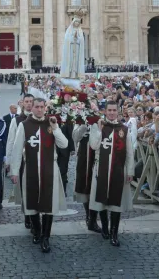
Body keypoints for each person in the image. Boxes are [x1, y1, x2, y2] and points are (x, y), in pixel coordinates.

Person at [10, 98, 68, 253]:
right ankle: (37, 230)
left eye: (42, 107)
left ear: (45, 108)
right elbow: (16, 149)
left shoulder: (52, 124)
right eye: (36, 107)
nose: (39, 110)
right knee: (32, 202)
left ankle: (46, 237)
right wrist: (14, 171)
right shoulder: (24, 125)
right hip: (31, 168)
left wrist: (56, 128)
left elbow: (64, 144)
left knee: (49, 204)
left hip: (50, 169)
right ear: (32, 108)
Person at [89, 101, 135, 247]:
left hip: (118, 170)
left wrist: (130, 171)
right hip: (101, 169)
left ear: (118, 112)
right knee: (101, 201)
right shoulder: (97, 126)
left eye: (114, 110)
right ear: (105, 111)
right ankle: (105, 228)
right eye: (109, 110)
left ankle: (114, 233)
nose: (111, 113)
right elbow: (94, 145)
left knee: (116, 203)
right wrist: (99, 130)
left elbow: (129, 152)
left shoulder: (124, 129)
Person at [6, 94, 34, 229]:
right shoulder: (17, 120)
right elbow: (11, 142)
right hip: (22, 159)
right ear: (22, 103)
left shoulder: (39, 119)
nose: (29, 104)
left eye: (31, 102)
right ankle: (28, 215)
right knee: (25, 188)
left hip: (36, 159)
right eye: (26, 101)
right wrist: (10, 163)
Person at [72, 122, 101, 232]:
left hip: (97, 154)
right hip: (83, 156)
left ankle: (93, 219)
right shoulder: (79, 120)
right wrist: (83, 126)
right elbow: (75, 137)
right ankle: (88, 216)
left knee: (96, 186)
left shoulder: (98, 120)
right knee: (84, 186)